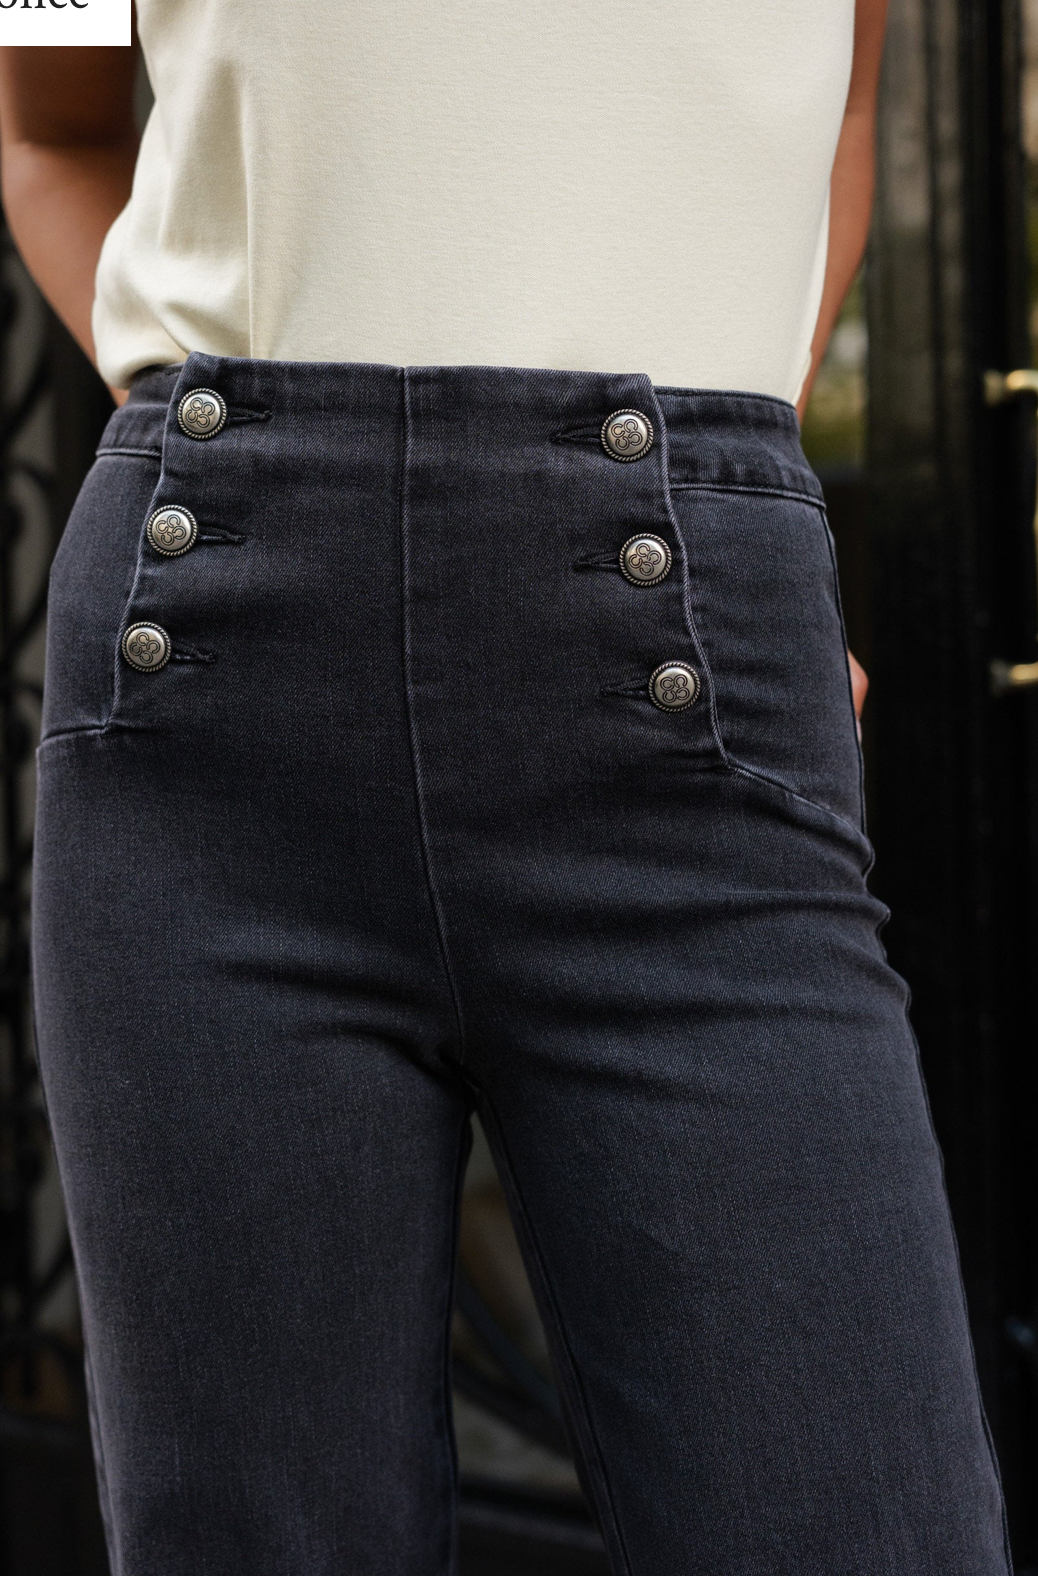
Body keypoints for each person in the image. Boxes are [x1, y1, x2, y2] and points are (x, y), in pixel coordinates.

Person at [0, 3, 1013, 1572]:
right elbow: (41, 130)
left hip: (681, 677)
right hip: (212, 687)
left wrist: (729, 512)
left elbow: (846, 112)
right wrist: (191, 440)